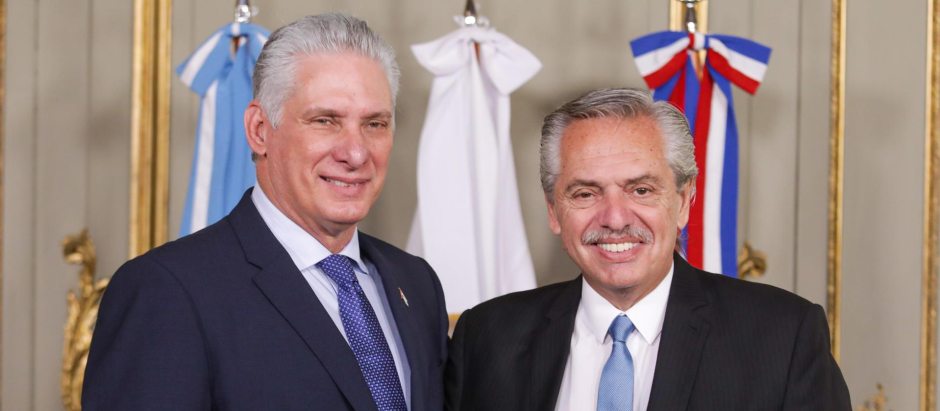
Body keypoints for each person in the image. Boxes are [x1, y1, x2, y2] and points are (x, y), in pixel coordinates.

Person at [83, 13, 448, 411]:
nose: (356, 153)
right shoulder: (167, 292)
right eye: (325, 121)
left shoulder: (416, 284)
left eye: (375, 124)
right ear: (260, 130)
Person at [444, 88, 851, 410]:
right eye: (585, 193)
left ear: (684, 201)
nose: (616, 218)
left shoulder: (783, 337)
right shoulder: (486, 338)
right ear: (554, 210)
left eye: (641, 190)